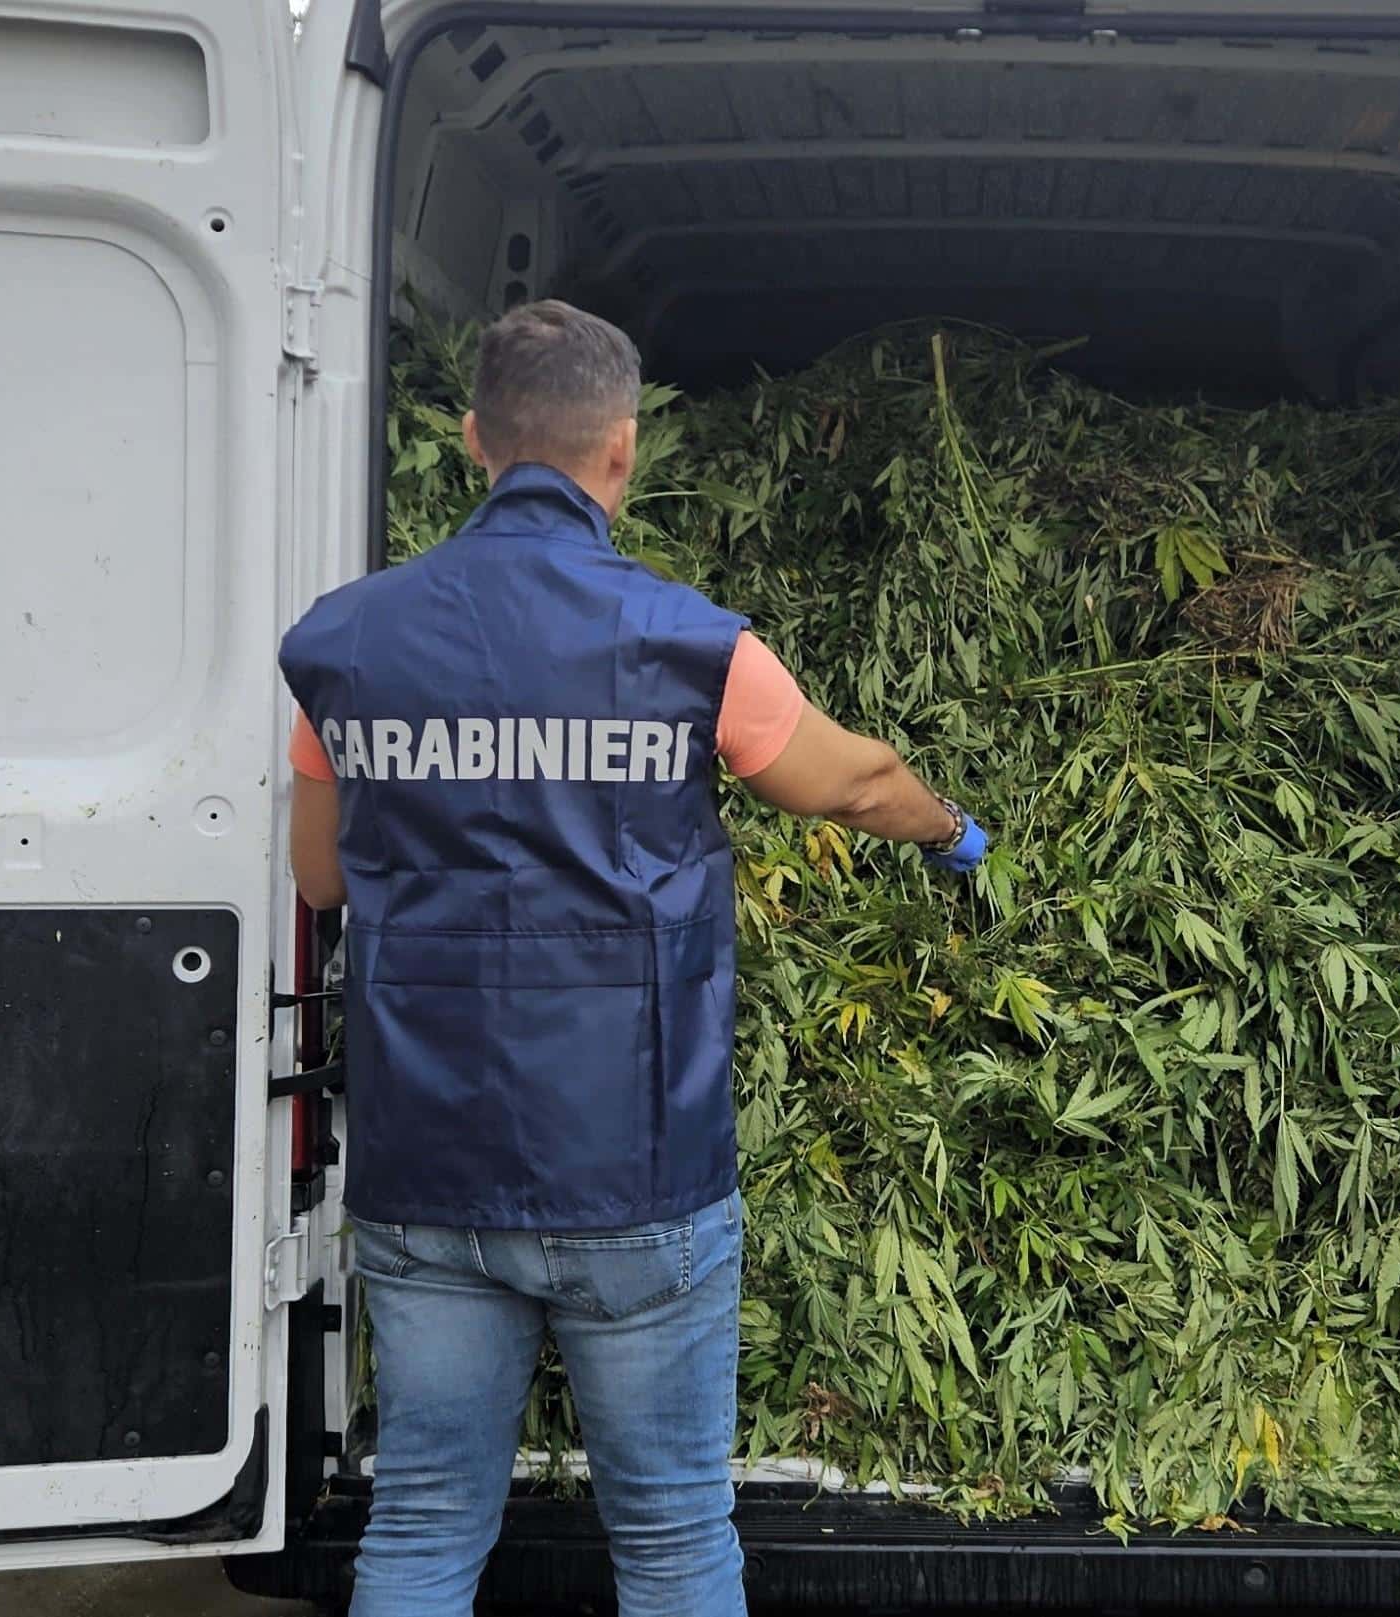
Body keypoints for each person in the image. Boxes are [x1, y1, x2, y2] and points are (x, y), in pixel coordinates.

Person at [277, 300, 987, 1617]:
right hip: (636, 1176)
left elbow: (319, 878)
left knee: (422, 1528)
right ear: (622, 447)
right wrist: (952, 833)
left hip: (426, 1171)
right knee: (669, 1538)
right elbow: (851, 781)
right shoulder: (687, 644)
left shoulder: (343, 646)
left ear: (473, 438)